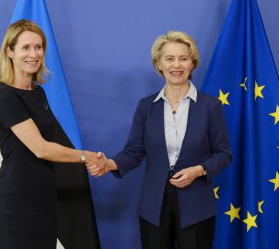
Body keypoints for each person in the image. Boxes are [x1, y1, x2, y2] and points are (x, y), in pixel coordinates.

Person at [87, 31, 232, 249]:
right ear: (159, 64)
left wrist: (199, 170)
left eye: (183, 58)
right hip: (154, 206)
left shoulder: (210, 106)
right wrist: (108, 164)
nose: (177, 65)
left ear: (193, 64)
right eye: (170, 58)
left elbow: (223, 154)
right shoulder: (146, 106)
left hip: (196, 205)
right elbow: (134, 151)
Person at [0, 19, 106, 249]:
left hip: (43, 198)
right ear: (9, 51)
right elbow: (41, 148)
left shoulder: (38, 92)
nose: (34, 54)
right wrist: (87, 157)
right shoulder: (5, 96)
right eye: (25, 47)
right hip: (16, 201)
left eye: (39, 47)